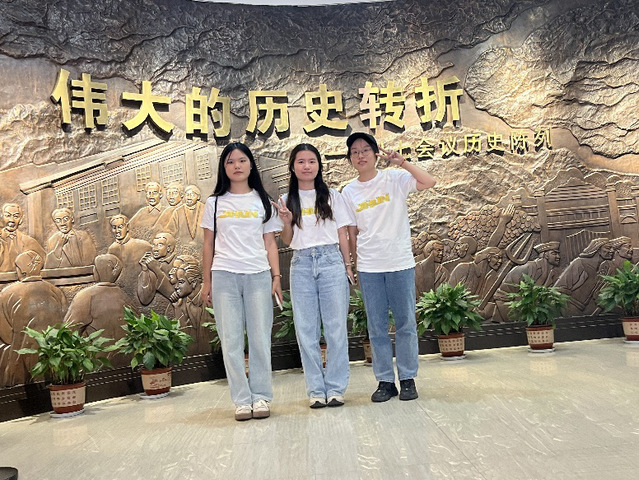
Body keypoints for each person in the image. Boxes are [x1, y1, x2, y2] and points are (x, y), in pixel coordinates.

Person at [341, 132, 436, 403]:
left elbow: (429, 181)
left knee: (405, 323)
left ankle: (407, 378)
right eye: (355, 152)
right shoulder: (349, 191)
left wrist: (402, 162)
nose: (360, 155)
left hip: (399, 263)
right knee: (377, 327)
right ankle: (385, 381)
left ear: (375, 153)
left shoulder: (393, 178)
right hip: (370, 267)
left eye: (365, 150)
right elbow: (351, 233)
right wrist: (354, 264)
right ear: (350, 159)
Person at [200, 142, 283, 421]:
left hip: (258, 275)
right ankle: (241, 400)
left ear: (250, 165)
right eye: (230, 161)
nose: (237, 166)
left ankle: (261, 396)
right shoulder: (214, 203)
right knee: (231, 340)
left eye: (242, 160)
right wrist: (207, 282)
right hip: (224, 276)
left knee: (259, 338)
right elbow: (208, 244)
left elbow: (270, 243)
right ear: (223, 168)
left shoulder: (262, 201)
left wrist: (276, 277)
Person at [272, 143, 355, 409]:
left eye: (311, 161)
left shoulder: (332, 196)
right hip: (302, 263)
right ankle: (316, 390)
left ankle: (336, 388)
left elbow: (342, 233)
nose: (306, 166)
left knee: (335, 328)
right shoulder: (286, 199)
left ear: (319, 166)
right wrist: (286, 221)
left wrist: (348, 265)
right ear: (292, 167)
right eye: (301, 161)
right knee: (306, 330)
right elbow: (287, 240)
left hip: (331, 261)